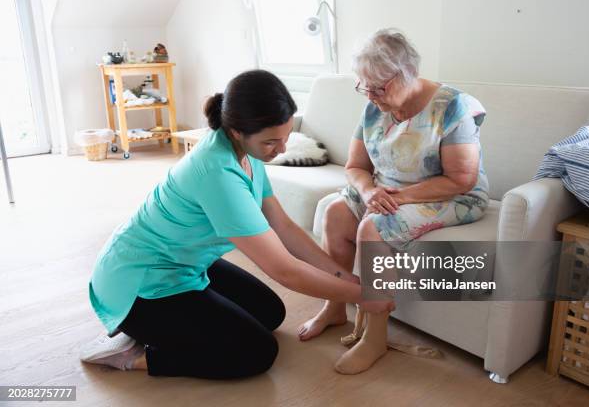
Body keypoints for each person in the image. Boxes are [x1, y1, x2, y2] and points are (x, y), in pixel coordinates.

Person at [81, 70, 393, 380]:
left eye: (284, 138)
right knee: (256, 353)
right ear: (237, 131)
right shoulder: (217, 172)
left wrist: (343, 278)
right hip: (138, 284)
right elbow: (284, 269)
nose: (281, 149)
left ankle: (166, 331)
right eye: (272, 141)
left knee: (270, 313)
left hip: (182, 262)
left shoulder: (248, 151)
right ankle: (137, 354)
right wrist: (363, 295)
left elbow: (283, 226)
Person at [298, 29, 490, 374]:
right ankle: (335, 305)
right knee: (334, 212)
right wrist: (370, 191)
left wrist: (393, 198)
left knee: (374, 227)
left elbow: (462, 178)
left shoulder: (453, 106)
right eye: (364, 86)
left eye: (378, 87)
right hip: (387, 190)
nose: (369, 95)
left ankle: (375, 336)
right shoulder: (375, 108)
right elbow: (355, 166)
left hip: (452, 195)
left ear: (405, 73)